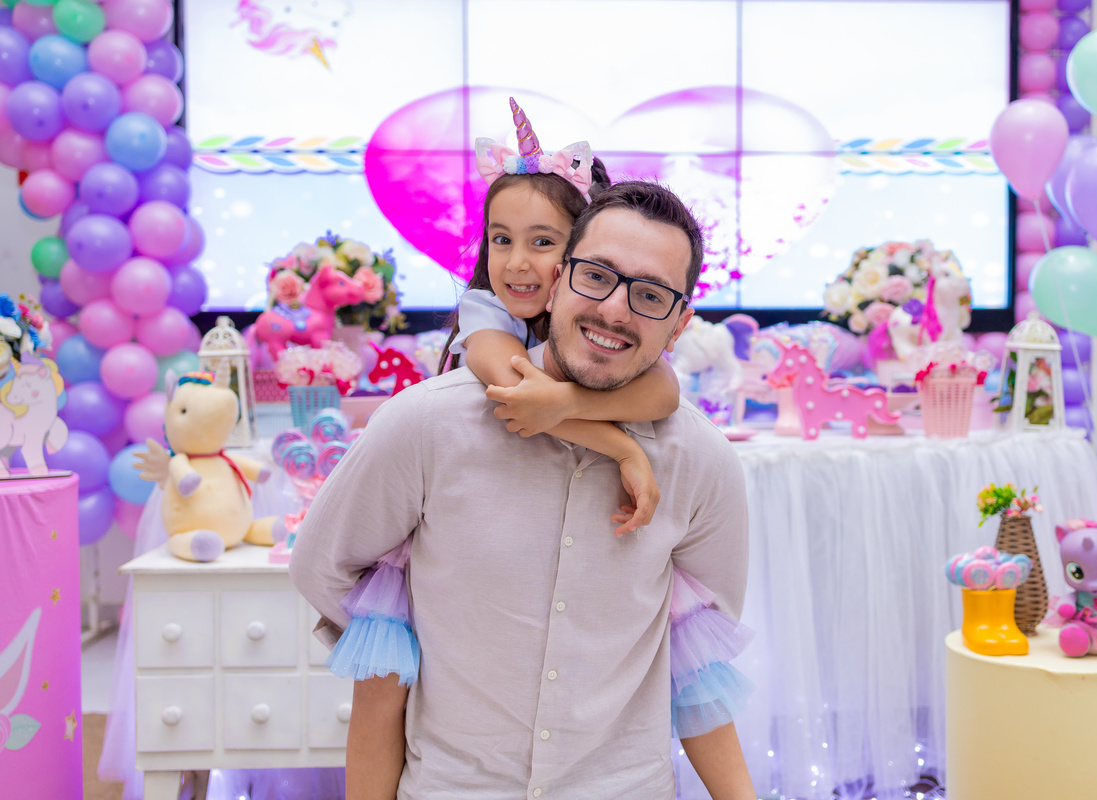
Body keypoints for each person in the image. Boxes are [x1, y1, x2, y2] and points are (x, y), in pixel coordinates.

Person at [291, 180, 756, 800]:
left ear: (679, 326)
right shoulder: (426, 425)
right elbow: (323, 568)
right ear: (558, 279)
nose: (616, 310)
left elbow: (699, 649)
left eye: (650, 295)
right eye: (597, 276)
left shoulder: (701, 461)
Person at [443, 97, 681, 536]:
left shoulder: (597, 323)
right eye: (501, 240)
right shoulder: (486, 311)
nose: (516, 263)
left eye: (541, 243)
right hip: (487, 495)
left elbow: (665, 392)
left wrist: (569, 403)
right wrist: (624, 450)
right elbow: (519, 394)